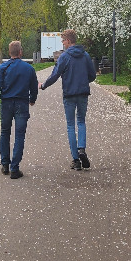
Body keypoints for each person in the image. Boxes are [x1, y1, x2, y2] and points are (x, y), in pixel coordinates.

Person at [39, 29, 96, 171]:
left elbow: (55, 75)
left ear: (68, 41)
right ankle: (81, 149)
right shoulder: (85, 55)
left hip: (69, 94)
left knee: (71, 125)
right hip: (83, 93)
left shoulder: (64, 57)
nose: (62, 43)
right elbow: (93, 75)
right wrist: (84, 81)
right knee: (81, 121)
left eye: (63, 40)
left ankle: (76, 159)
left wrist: (43, 85)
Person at [0, 40, 39, 179]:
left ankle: (5, 165)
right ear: (21, 52)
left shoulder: (3, 68)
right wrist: (32, 99)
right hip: (22, 103)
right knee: (19, 135)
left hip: (6, 104)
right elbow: (34, 87)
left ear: (10, 53)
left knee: (5, 133)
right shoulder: (28, 68)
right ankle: (15, 168)